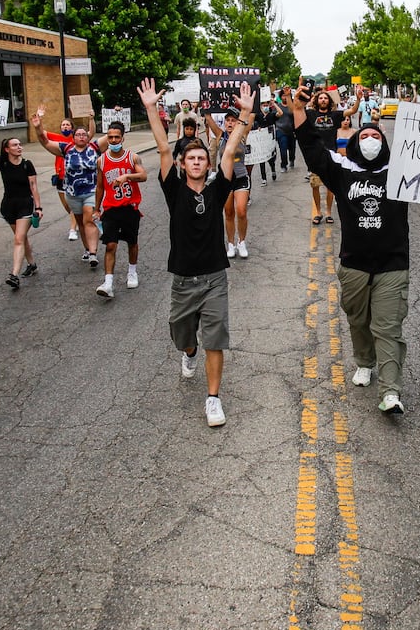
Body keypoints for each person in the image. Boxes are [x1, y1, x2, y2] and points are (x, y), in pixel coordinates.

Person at [137, 76, 254, 428]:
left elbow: (230, 150)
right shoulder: (174, 190)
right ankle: (188, 352)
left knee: (215, 339)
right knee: (183, 336)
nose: (198, 162)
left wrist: (245, 115)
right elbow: (161, 149)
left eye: (203, 157)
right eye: (192, 158)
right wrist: (150, 110)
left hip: (216, 277)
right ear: (183, 164)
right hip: (184, 281)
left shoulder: (218, 189)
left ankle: (213, 399)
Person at [294, 83, 410, 415]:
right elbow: (313, 149)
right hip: (355, 265)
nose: (370, 141)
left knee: (387, 327)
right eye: (364, 137)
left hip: (392, 264)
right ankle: (364, 361)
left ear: (384, 144)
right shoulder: (343, 170)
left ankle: (390, 391)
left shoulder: (401, 171)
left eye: (376, 137)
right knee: (358, 320)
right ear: (356, 144)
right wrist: (299, 111)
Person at [32, 113, 101, 269]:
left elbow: (113, 136)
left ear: (88, 137)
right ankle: (87, 249)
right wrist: (38, 127)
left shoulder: (95, 147)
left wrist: (91, 119)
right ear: (74, 137)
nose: (81, 137)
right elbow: (45, 141)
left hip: (91, 191)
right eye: (78, 134)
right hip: (72, 193)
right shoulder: (66, 148)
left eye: (84, 134)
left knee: (88, 220)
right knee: (81, 223)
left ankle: (93, 253)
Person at [0, 124, 41, 289]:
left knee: (18, 239)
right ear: (6, 149)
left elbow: (33, 187)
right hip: (8, 205)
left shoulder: (27, 164)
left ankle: (14, 275)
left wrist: (38, 207)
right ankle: (32, 263)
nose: (19, 147)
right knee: (21, 238)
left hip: (25, 205)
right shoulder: (3, 163)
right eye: (15, 145)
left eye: (20, 144)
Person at [93, 120, 148, 300]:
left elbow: (143, 175)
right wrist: (96, 208)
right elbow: (100, 187)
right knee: (110, 244)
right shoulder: (101, 160)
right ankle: (108, 283)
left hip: (129, 207)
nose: (114, 140)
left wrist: (126, 176)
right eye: (110, 137)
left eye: (117, 137)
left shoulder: (132, 157)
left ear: (123, 138)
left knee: (132, 242)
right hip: (110, 208)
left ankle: (132, 271)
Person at [207, 107, 252, 259]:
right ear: (225, 122)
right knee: (228, 213)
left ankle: (242, 242)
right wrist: (206, 107)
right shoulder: (220, 136)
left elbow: (250, 117)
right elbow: (209, 120)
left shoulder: (243, 134)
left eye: (233, 120)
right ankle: (231, 244)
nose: (230, 123)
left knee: (241, 211)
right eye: (228, 120)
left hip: (241, 177)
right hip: (225, 180)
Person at [304, 88, 340, 225]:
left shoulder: (335, 115)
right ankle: (318, 212)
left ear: (329, 101)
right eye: (321, 98)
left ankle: (329, 213)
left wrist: (359, 99)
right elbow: (295, 111)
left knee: (330, 187)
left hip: (331, 156)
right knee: (315, 186)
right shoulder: (311, 114)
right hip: (315, 156)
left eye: (325, 98)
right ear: (316, 101)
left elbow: (351, 112)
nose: (323, 100)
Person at [40, 115, 79, 241]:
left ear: (72, 128)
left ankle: (73, 229)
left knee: (72, 206)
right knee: (67, 206)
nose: (65, 127)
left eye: (67, 125)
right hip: (60, 177)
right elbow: (41, 133)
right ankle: (78, 220)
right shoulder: (57, 138)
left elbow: (90, 133)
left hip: (73, 177)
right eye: (63, 125)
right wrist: (39, 120)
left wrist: (90, 118)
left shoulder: (77, 139)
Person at [273, 88, 297, 172]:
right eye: (283, 95)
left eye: (286, 95)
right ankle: (284, 165)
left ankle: (292, 159)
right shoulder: (278, 106)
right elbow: (273, 117)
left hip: (291, 130)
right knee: (283, 149)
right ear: (280, 97)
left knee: (292, 149)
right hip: (280, 130)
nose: (285, 97)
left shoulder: (292, 106)